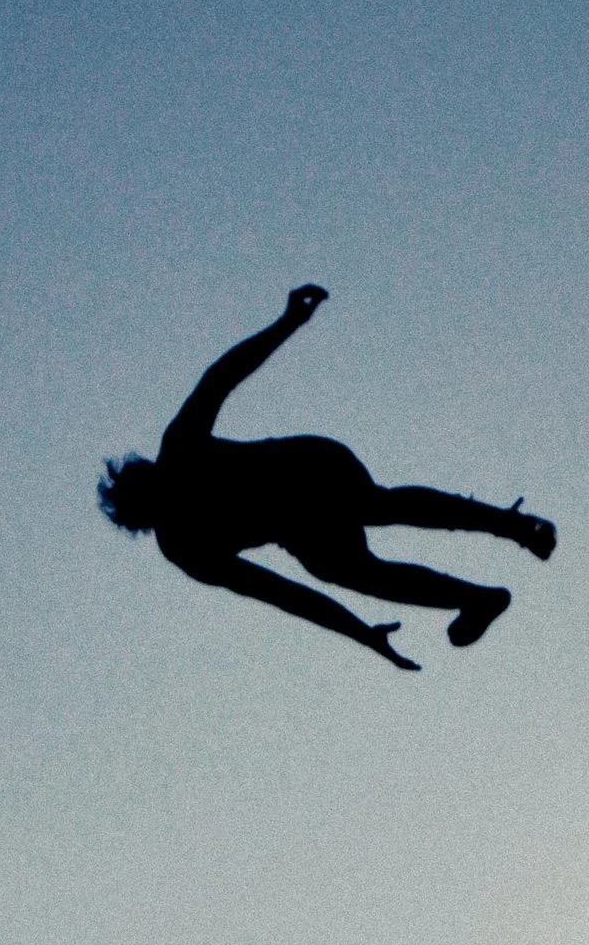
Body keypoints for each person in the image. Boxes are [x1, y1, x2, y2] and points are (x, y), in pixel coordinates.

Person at [97, 285, 556, 669]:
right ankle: (477, 597)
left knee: (372, 507)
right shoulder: (183, 545)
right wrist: (361, 633)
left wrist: (288, 323)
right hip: (301, 528)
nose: (180, 500)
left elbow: (222, 376)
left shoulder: (180, 451)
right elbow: (283, 594)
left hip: (308, 467)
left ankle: (515, 527)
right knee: (344, 566)